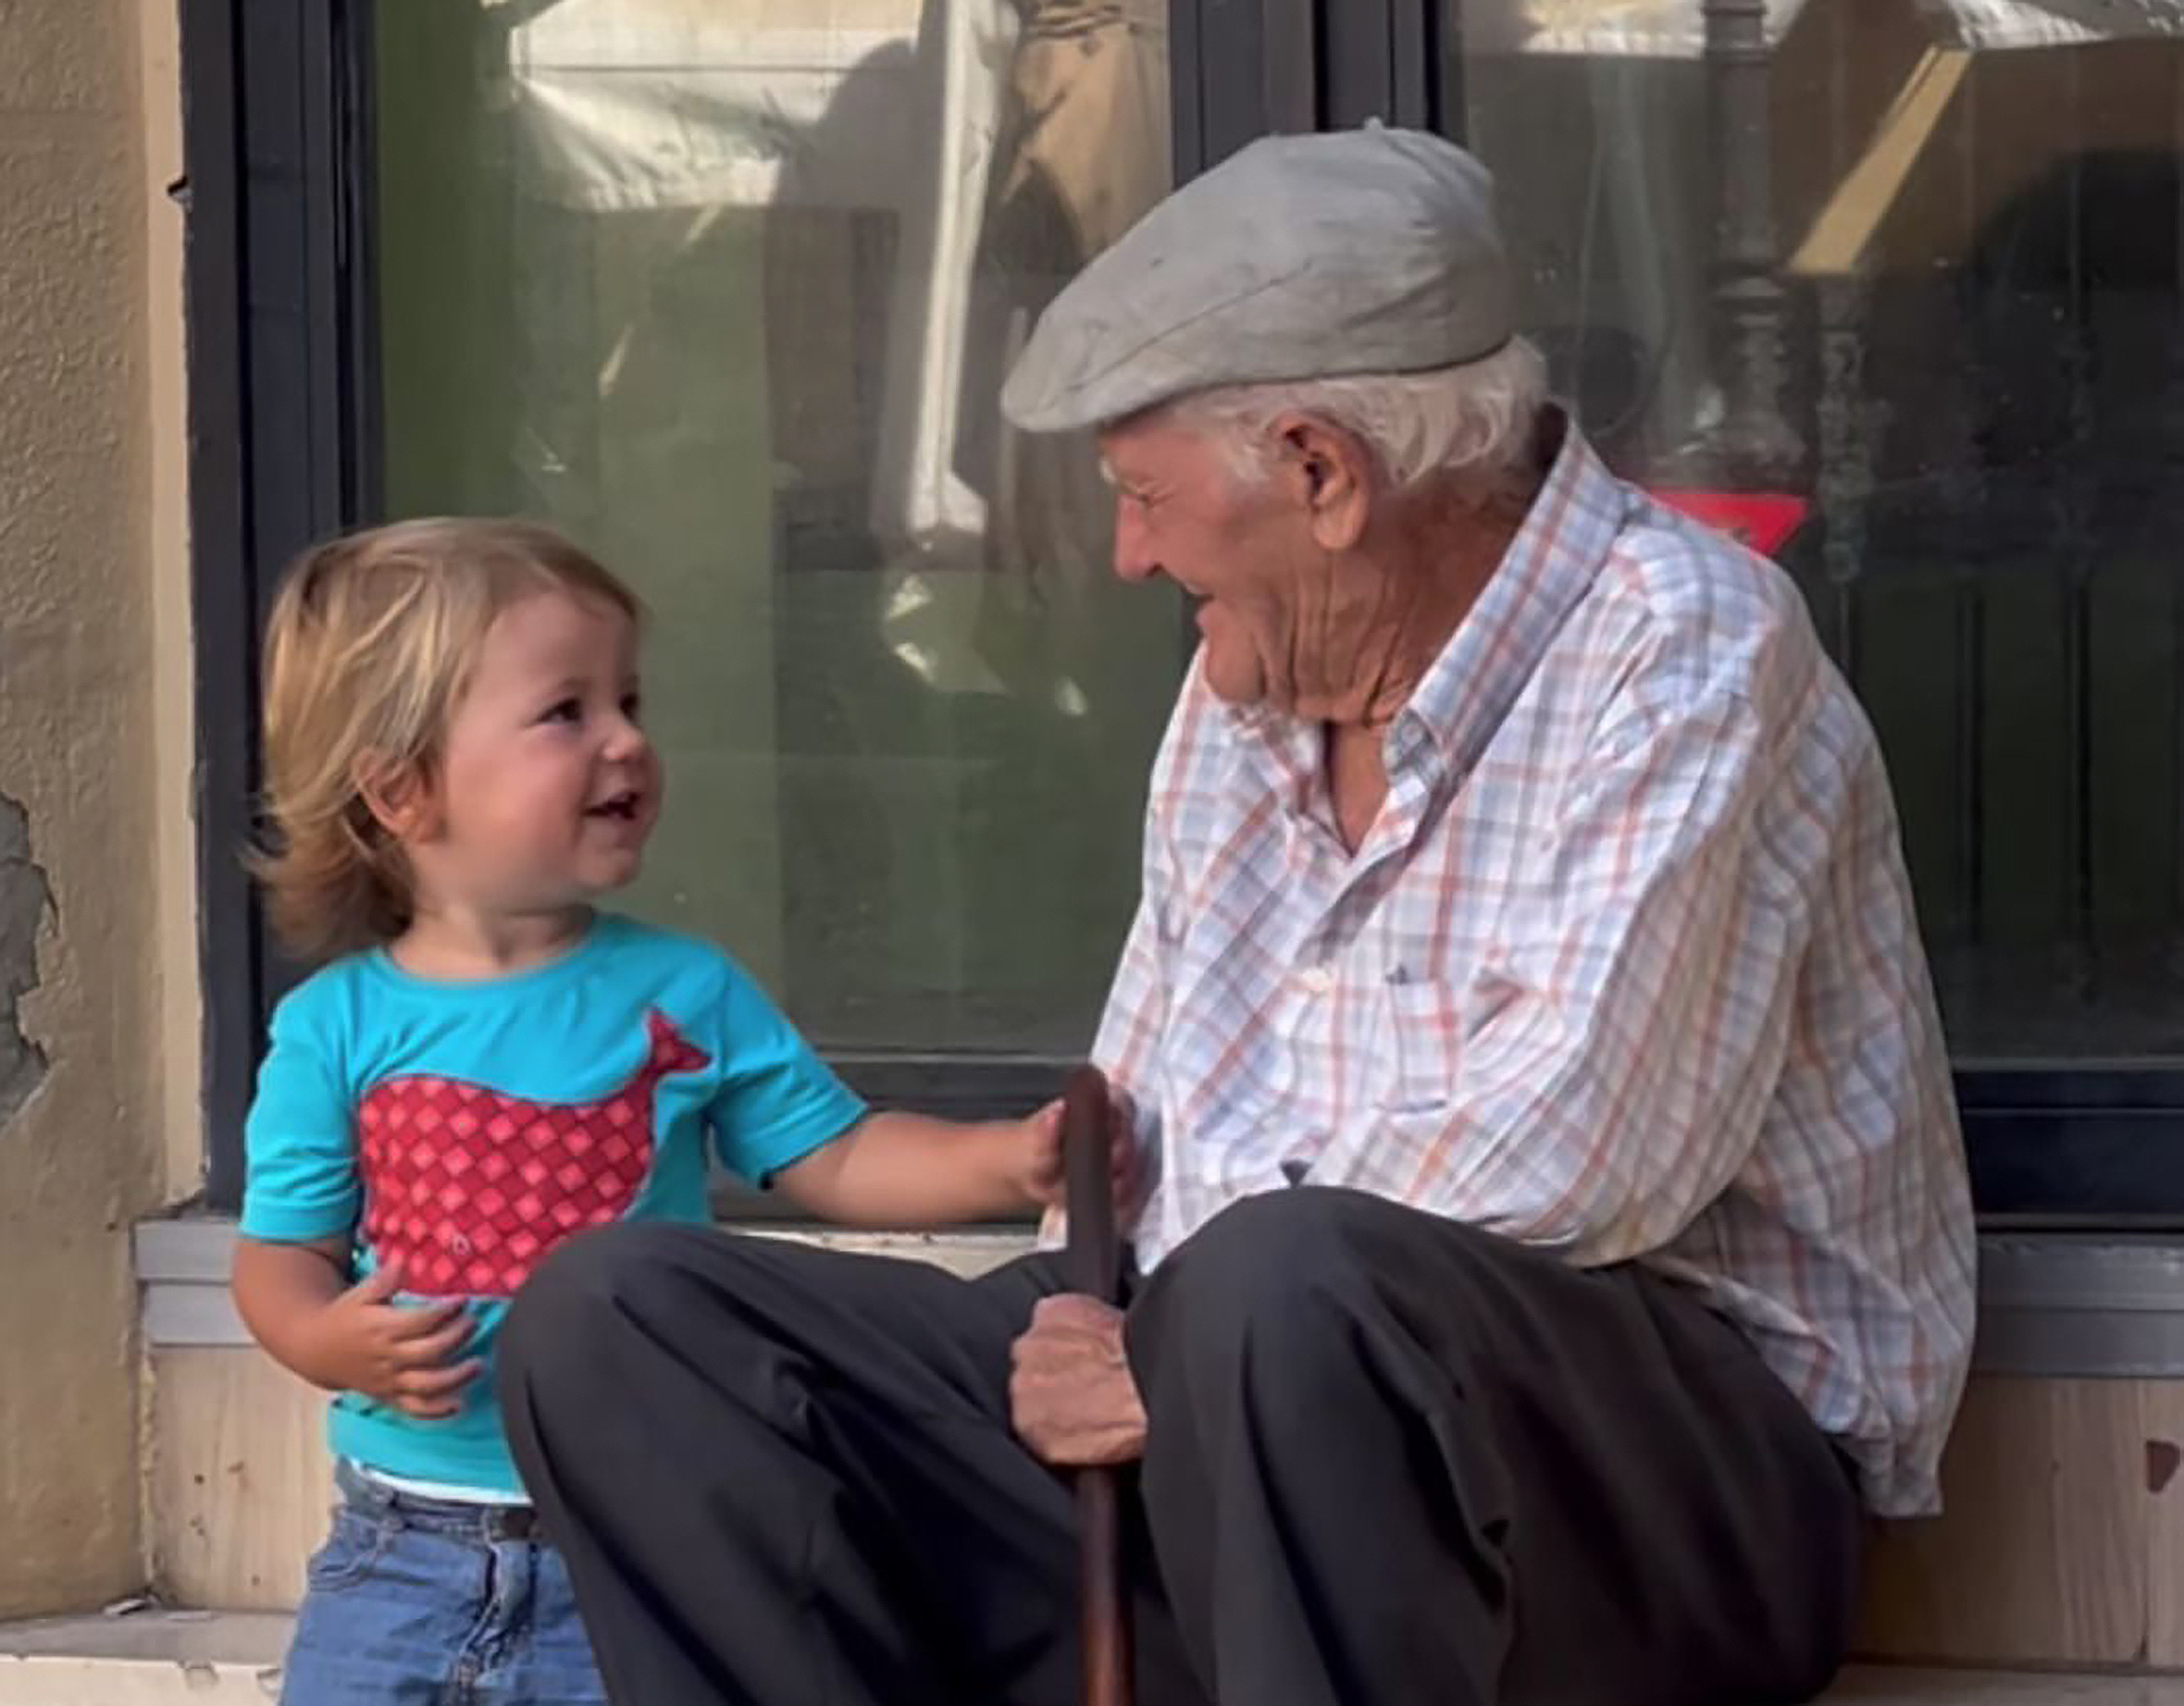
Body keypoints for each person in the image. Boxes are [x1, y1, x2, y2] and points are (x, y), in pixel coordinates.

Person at [496, 129, 1979, 1706]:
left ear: (1323, 470)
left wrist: (1164, 1348)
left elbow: (1566, 1155)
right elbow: (1152, 1107)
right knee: (623, 1322)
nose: (1129, 550)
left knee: (1291, 1282)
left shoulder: (1682, 646)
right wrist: (1090, 1303)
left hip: (1663, 1490)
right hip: (1234, 1407)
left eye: (1147, 495)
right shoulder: (1250, 679)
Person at [229, 518, 1098, 1705]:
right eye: (566, 712)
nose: (627, 742)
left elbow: (835, 1156)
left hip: (630, 1548)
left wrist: (1009, 1161)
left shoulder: (681, 989)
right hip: (401, 1558)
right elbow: (280, 1257)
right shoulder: (338, 1026)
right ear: (405, 788)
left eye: (628, 700)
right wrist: (322, 1337)